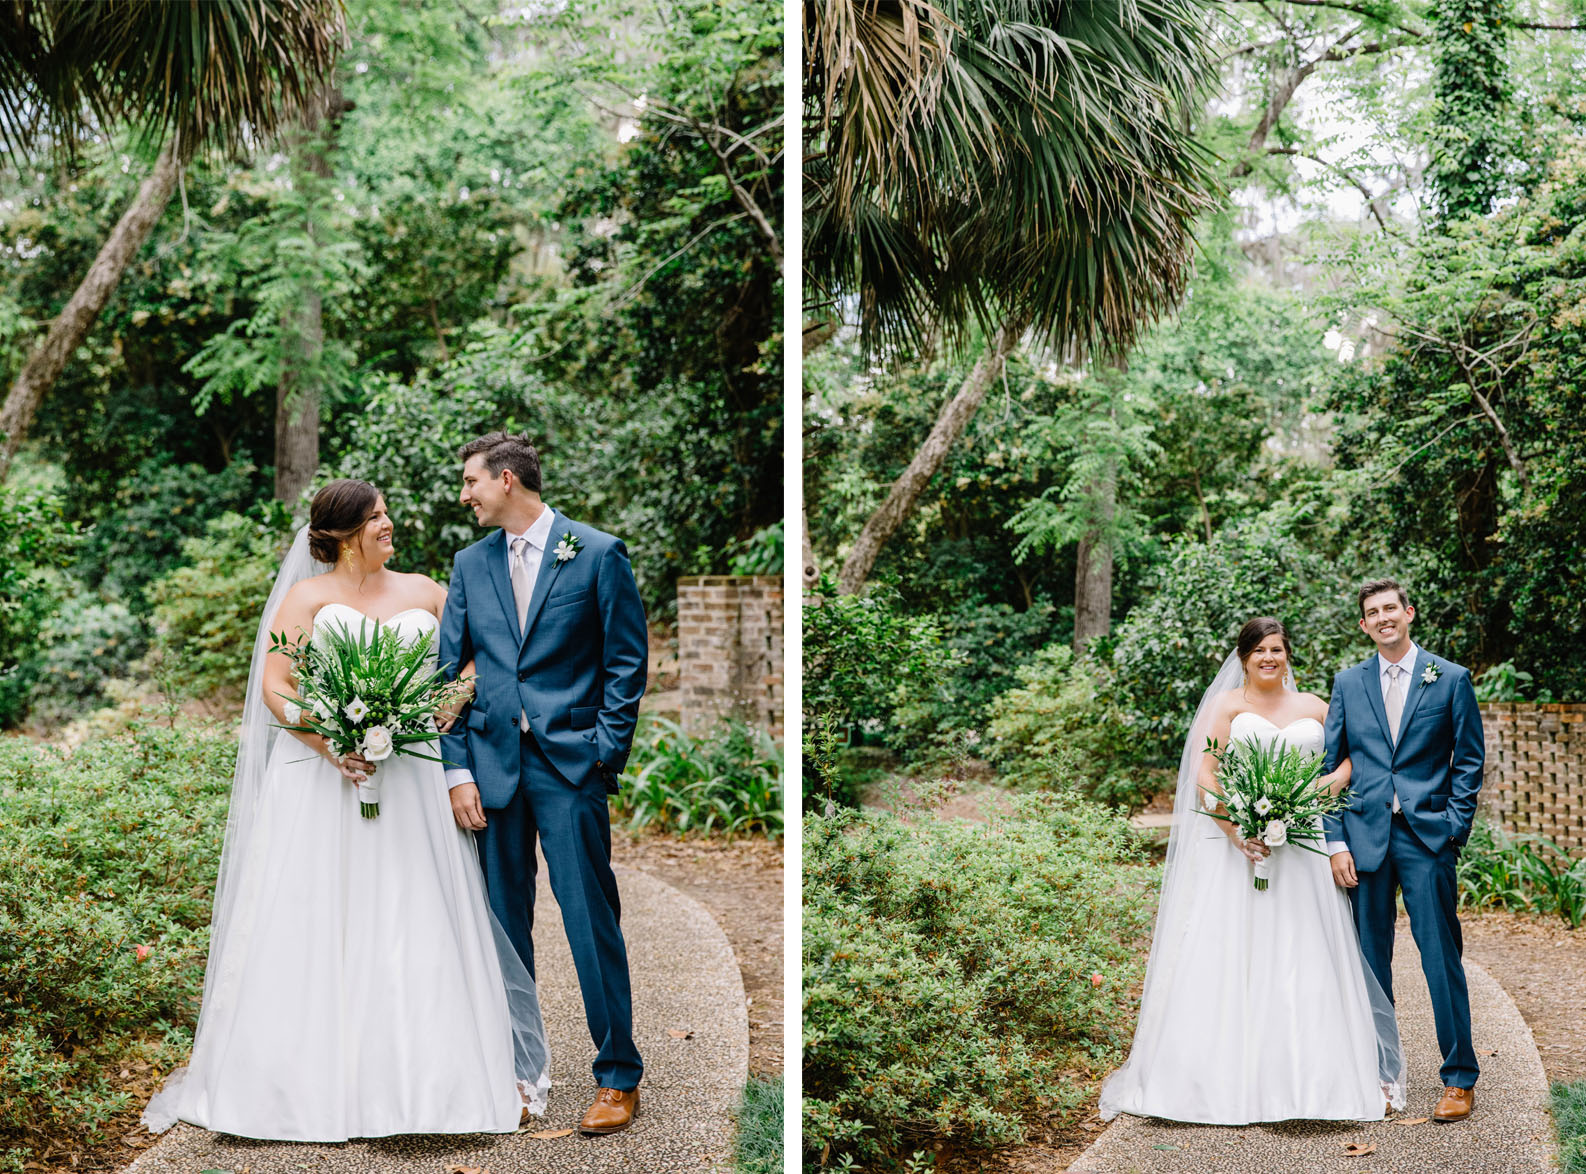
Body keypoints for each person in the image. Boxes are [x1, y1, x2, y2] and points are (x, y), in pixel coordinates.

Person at [142, 479, 549, 1141]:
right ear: (341, 532)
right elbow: (278, 689)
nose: (390, 523)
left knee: (414, 916)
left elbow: (481, 652)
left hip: (412, 780)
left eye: (387, 511)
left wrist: (460, 691)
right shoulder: (305, 599)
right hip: (322, 785)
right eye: (377, 516)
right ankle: (301, 1087)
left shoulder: (424, 590)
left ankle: (428, 1088)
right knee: (319, 920)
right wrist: (331, 738)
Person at [1099, 616, 1405, 1125]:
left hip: (1303, 850)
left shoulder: (1313, 707)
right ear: (1243, 657)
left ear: (1289, 656)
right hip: (1241, 851)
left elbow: (1351, 757)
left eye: (1278, 649)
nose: (1270, 657)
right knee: (1234, 953)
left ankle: (1315, 1083)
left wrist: (1325, 788)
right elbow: (1206, 772)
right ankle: (1225, 1082)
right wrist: (1237, 831)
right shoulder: (1227, 707)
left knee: (1306, 953)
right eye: (1260, 649)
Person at [437, 432, 648, 1135]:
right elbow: (450, 677)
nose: (463, 495)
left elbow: (625, 665)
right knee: (502, 928)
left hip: (569, 769)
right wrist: (457, 770)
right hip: (491, 774)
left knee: (591, 922)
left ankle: (618, 1077)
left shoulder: (596, 553)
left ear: (505, 480)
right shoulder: (469, 564)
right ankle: (518, 1074)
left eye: (470, 482)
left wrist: (601, 753)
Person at [1323, 578, 1485, 1123]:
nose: (1383, 617)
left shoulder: (1451, 679)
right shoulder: (1348, 683)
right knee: (1370, 964)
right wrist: (1335, 840)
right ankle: (1381, 1076)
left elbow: (1468, 760)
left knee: (1441, 958)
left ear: (1408, 613)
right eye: (1373, 612)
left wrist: (1453, 827)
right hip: (1364, 840)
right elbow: (1331, 769)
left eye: (1391, 608)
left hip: (1426, 838)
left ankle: (1459, 1078)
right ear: (1364, 625)